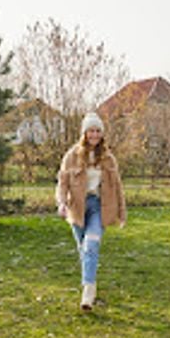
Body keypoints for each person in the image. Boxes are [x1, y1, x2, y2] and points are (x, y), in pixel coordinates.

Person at [56, 112, 126, 311]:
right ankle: (89, 280)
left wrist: (122, 212)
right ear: (84, 133)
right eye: (91, 131)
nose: (94, 135)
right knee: (83, 248)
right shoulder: (72, 156)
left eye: (98, 131)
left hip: (99, 207)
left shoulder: (108, 158)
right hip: (77, 207)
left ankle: (88, 291)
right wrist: (61, 203)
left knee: (91, 244)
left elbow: (118, 187)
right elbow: (62, 183)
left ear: (102, 134)